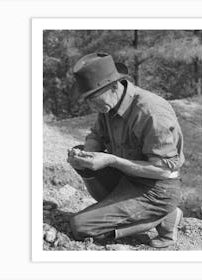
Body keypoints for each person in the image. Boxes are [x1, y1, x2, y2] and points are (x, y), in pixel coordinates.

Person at [67, 52, 185, 248]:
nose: (90, 105)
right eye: (87, 99)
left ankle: (164, 214)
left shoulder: (151, 112)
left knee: (80, 227)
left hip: (158, 189)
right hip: (128, 178)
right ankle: (124, 207)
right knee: (82, 157)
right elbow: (96, 135)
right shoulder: (109, 105)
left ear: (114, 87)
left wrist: (111, 161)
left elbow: (164, 169)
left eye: (92, 98)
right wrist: (86, 154)